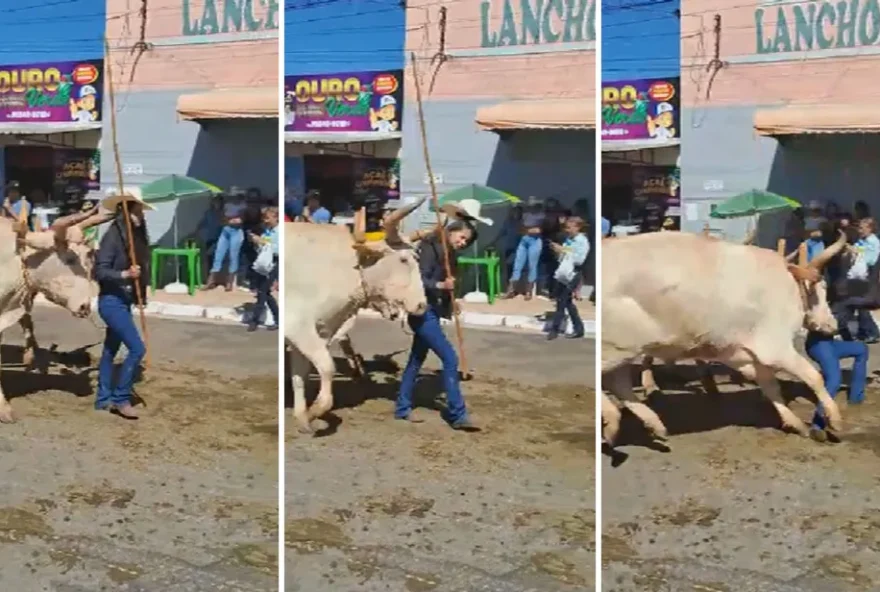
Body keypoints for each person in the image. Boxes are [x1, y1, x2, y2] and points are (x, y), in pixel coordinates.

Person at [395, 218, 480, 430]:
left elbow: (445, 285)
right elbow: (419, 280)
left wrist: (452, 301)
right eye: (462, 238)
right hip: (422, 311)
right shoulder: (429, 247)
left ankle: (402, 407)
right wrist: (441, 285)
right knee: (450, 359)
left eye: (465, 242)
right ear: (452, 231)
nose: (462, 244)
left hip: (432, 309)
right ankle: (457, 414)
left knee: (415, 361)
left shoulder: (449, 253)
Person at [94, 189, 154, 419]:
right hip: (110, 301)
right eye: (139, 209)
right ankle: (120, 398)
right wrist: (125, 274)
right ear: (129, 211)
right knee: (137, 349)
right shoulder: (113, 236)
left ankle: (102, 398)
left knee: (110, 351)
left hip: (124, 300)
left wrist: (141, 295)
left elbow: (142, 269)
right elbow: (100, 270)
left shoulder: (135, 237)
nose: (143, 215)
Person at [805, 329, 868, 442]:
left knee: (861, 349)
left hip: (831, 344)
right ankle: (817, 424)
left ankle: (856, 398)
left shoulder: (846, 312)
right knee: (834, 380)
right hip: (818, 345)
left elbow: (843, 325)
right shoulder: (830, 311)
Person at [547, 216, 589, 340]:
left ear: (577, 227)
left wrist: (564, 250)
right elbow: (563, 257)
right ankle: (579, 329)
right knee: (567, 303)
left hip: (573, 274)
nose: (567, 230)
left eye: (569, 227)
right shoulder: (569, 239)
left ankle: (554, 330)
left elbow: (579, 260)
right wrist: (558, 251)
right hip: (563, 273)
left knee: (562, 301)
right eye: (566, 227)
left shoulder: (582, 241)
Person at [204, 188, 246, 291]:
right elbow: (223, 219)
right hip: (226, 230)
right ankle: (211, 280)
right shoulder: (227, 206)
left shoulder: (243, 206)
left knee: (233, 256)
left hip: (236, 232)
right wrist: (230, 220)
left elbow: (240, 220)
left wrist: (229, 220)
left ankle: (230, 282)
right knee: (219, 254)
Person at [502, 196, 544, 300]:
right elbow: (520, 228)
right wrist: (528, 230)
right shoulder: (525, 215)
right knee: (517, 265)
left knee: (532, 265)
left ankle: (528, 291)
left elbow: (539, 230)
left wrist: (526, 230)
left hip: (534, 241)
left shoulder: (541, 216)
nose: (530, 207)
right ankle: (511, 290)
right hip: (524, 240)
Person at [247, 207, 279, 332]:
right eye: (264, 218)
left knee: (262, 292)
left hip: (274, 263)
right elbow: (262, 250)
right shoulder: (267, 231)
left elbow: (277, 249)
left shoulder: (279, 232)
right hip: (264, 264)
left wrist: (263, 242)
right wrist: (257, 242)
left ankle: (254, 321)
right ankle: (278, 319)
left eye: (268, 218)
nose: (265, 221)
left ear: (276, 217)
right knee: (265, 293)